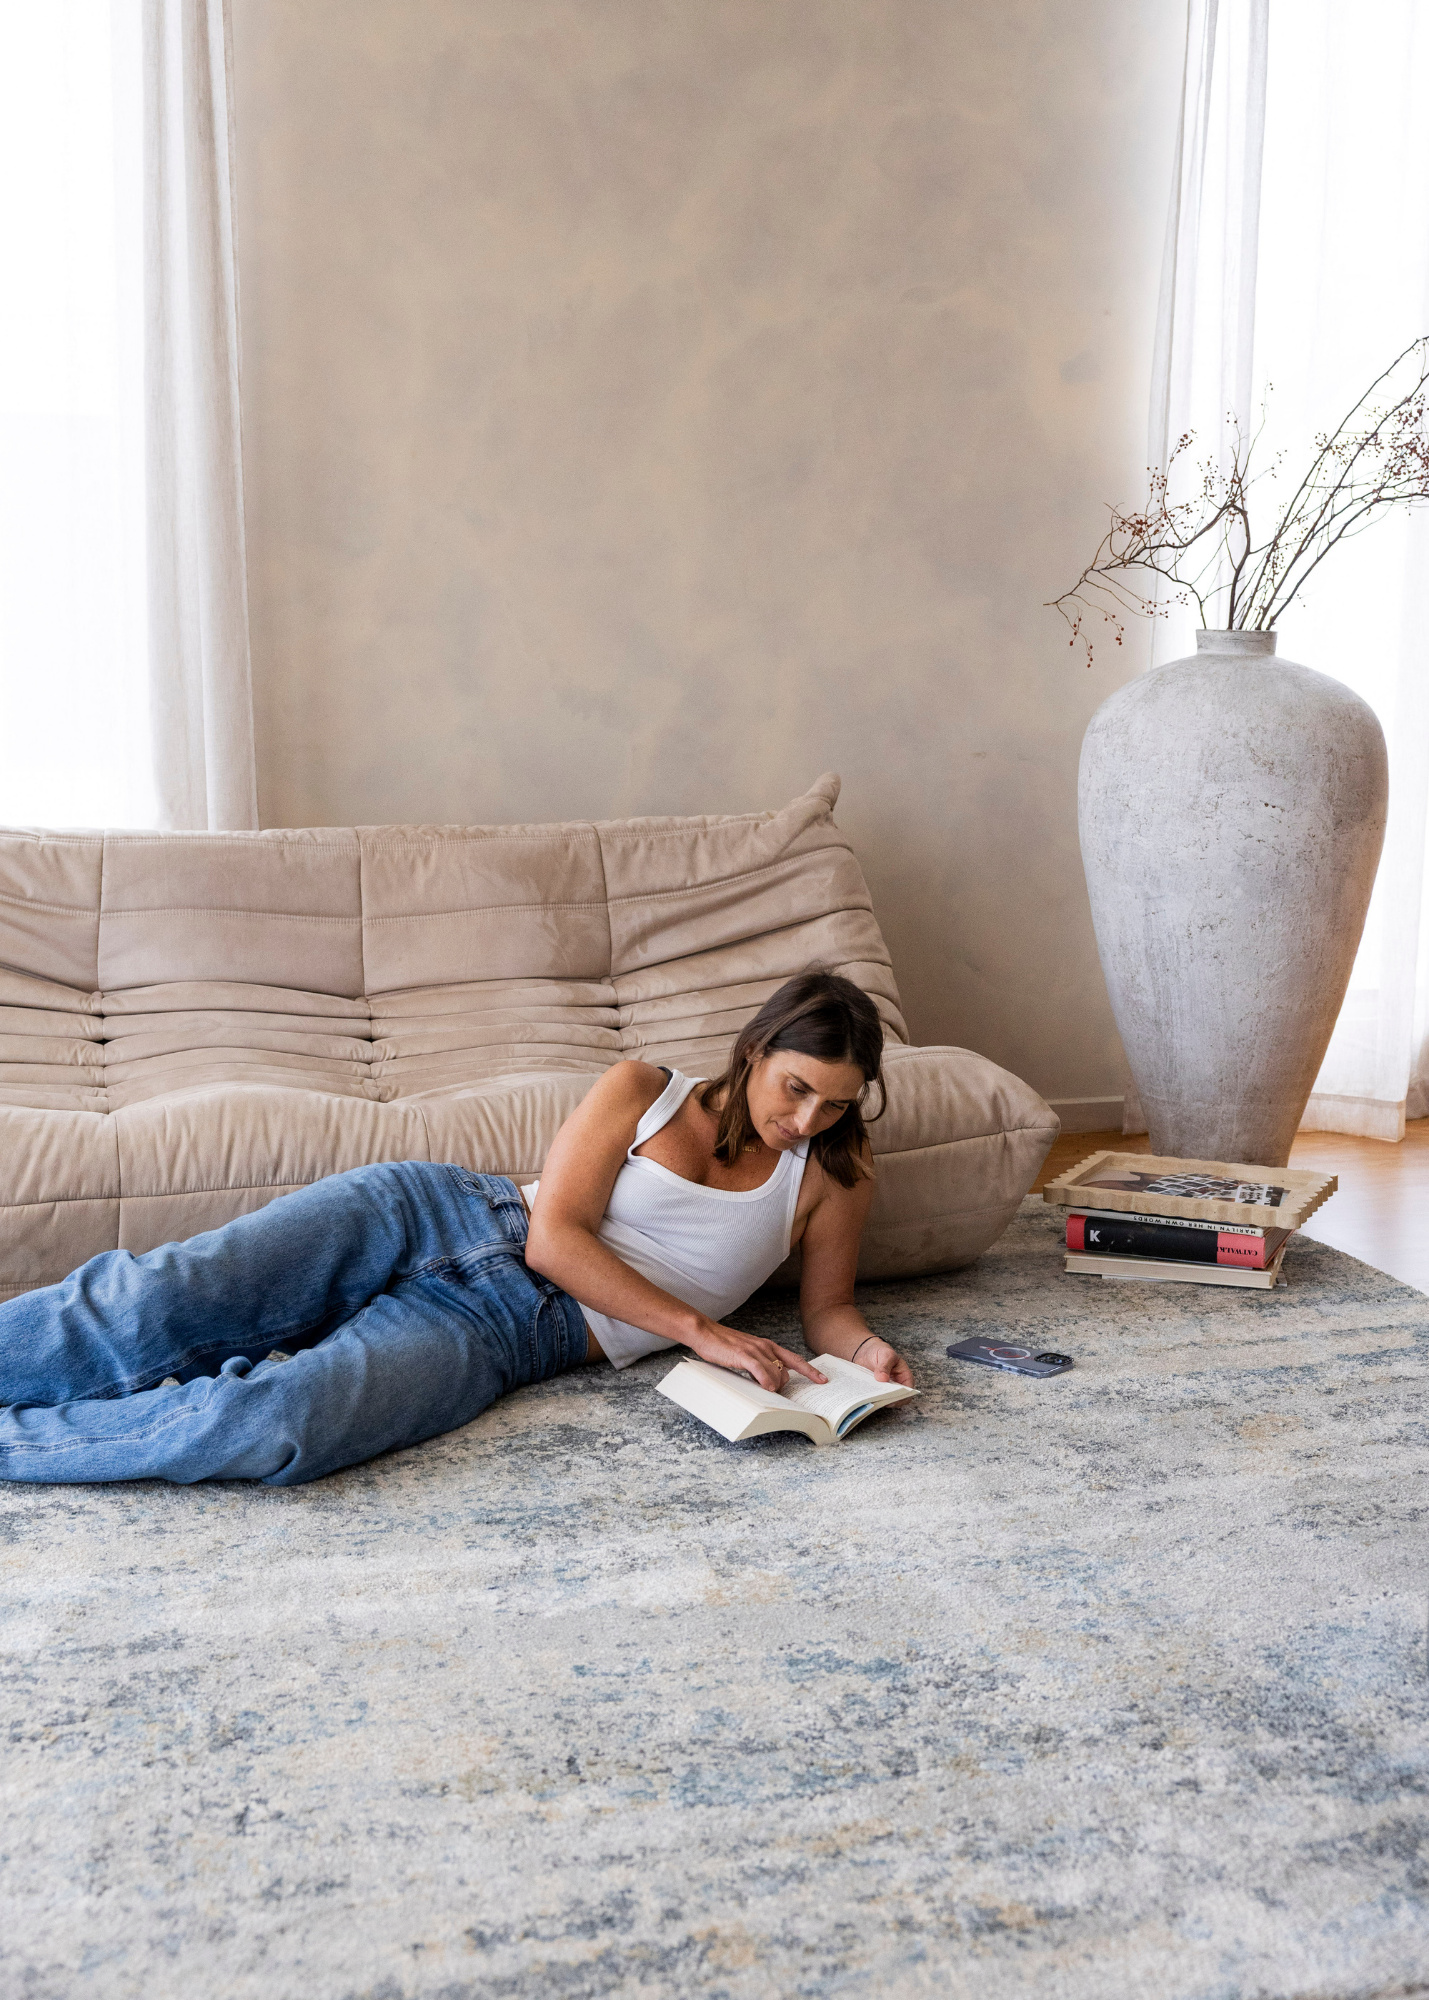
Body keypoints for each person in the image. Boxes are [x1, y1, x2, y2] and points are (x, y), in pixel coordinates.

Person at [0, 971, 912, 1486]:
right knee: (152, 1303)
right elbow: (553, 1237)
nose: (806, 1121)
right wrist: (698, 1331)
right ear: (756, 1051)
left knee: (284, 1421)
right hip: (434, 1209)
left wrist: (865, 1353)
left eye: (834, 1105)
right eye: (795, 1088)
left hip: (514, 1330)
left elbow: (828, 1311)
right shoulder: (644, 1089)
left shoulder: (832, 1175)